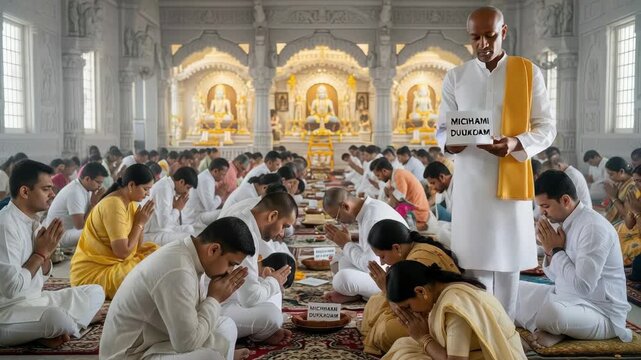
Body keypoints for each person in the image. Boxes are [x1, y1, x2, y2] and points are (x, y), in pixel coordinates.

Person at [435, 6, 556, 318]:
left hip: (511, 175)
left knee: (508, 260)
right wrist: (451, 142)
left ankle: (506, 329)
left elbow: (546, 127)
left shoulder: (528, 72)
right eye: (475, 37)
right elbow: (442, 130)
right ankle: (480, 326)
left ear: (503, 32)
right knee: (474, 260)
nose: (482, 44)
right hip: (471, 183)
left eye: (489, 36)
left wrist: (515, 143)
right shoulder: (456, 77)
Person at [100, 217, 255, 360]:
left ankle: (223, 356)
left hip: (158, 341)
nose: (230, 271)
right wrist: (214, 299)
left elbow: (192, 321)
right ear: (213, 249)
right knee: (209, 357)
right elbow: (186, 343)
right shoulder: (178, 269)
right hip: (132, 355)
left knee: (226, 326)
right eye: (231, 264)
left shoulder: (190, 254)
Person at [515, 170, 631, 347]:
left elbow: (583, 287)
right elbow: (555, 278)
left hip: (600, 312)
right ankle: (558, 331)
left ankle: (559, 330)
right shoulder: (567, 222)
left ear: (566, 200)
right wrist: (549, 252)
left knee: (552, 314)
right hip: (565, 297)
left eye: (545, 206)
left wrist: (556, 251)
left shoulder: (592, 229)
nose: (542, 214)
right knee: (512, 291)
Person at [0, 160, 105, 348]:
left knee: (95, 291)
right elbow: (12, 288)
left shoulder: (33, 221)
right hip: (7, 312)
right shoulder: (5, 225)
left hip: (35, 301)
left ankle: (53, 330)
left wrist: (47, 255)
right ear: (25, 192)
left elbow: (43, 275)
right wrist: (40, 254)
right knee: (56, 319)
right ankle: (72, 324)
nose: (53, 194)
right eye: (46, 189)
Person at [381, 261, 526, 360]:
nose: (411, 313)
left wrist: (423, 337)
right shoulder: (442, 290)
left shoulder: (455, 306)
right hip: (472, 353)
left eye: (408, 307)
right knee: (403, 345)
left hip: (494, 355)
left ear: (420, 291)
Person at [361, 220, 460, 355]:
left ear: (396, 248)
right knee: (374, 301)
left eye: (382, 256)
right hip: (421, 306)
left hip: (433, 316)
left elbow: (420, 306)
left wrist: (386, 290)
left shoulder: (419, 258)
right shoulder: (415, 250)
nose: (382, 262)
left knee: (386, 331)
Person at [70, 164, 159, 299]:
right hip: (93, 274)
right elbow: (122, 252)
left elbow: (136, 247)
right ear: (131, 185)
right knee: (148, 271)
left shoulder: (131, 203)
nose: (148, 194)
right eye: (145, 189)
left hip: (116, 263)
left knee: (156, 252)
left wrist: (141, 222)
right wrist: (139, 223)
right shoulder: (113, 204)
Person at [222, 192, 297, 344]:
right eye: (284, 226)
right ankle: (260, 332)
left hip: (232, 295)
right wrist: (273, 281)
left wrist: (271, 281)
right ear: (272, 216)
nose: (282, 233)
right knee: (273, 316)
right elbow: (251, 299)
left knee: (274, 294)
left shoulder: (247, 221)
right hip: (218, 306)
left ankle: (262, 330)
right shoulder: (244, 232)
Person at [321, 187, 408, 303]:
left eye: (337, 217)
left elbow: (372, 265)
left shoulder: (373, 217)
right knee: (340, 260)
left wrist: (346, 244)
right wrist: (346, 244)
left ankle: (359, 293)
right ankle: (358, 293)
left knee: (342, 279)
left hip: (396, 278)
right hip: (383, 268)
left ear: (345, 206)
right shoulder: (368, 209)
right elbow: (368, 254)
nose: (339, 222)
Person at [45, 163, 108, 248]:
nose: (100, 186)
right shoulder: (75, 192)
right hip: (59, 236)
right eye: (98, 182)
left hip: (71, 230)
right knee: (97, 232)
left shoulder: (87, 189)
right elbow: (80, 226)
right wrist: (94, 203)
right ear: (87, 179)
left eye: (101, 183)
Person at [145, 166, 199, 246]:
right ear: (181, 182)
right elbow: (164, 223)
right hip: (151, 234)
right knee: (188, 238)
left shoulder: (170, 187)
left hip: (161, 229)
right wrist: (177, 209)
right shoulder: (164, 188)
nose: (187, 192)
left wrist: (176, 208)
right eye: (188, 188)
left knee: (189, 228)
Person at [372, 158, 431, 230]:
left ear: (384, 171)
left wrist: (390, 194)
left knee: (392, 215)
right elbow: (392, 200)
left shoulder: (399, 175)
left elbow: (395, 202)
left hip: (419, 213)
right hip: (412, 209)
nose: (378, 179)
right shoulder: (393, 177)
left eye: (378, 175)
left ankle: (416, 227)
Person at [604, 157, 639, 265]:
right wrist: (612, 198)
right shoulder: (622, 184)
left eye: (611, 174)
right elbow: (629, 219)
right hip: (628, 223)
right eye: (636, 180)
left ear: (622, 172)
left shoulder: (632, 187)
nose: (610, 177)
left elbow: (625, 213)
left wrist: (614, 198)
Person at [184, 158, 230, 226]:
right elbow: (210, 207)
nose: (223, 177)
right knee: (227, 213)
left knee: (228, 209)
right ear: (215, 171)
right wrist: (220, 196)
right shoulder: (206, 180)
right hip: (195, 217)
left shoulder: (208, 177)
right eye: (223, 174)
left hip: (200, 213)